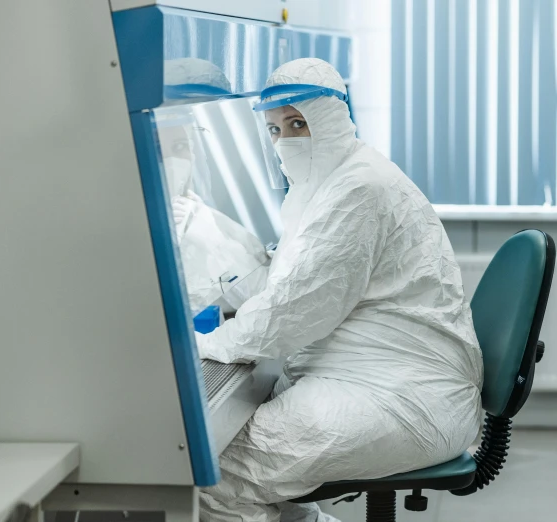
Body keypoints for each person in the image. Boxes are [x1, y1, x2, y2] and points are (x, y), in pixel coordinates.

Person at [192, 58, 484, 522]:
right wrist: (228, 293)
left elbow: (296, 309)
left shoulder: (358, 187)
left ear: (331, 118)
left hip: (401, 397)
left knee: (213, 476)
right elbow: (295, 276)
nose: (286, 139)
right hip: (381, 382)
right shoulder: (322, 187)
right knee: (238, 462)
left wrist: (206, 343)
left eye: (298, 123)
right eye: (274, 129)